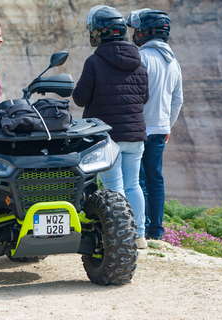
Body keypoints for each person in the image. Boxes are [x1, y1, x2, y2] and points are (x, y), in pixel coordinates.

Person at [73, 5, 149, 249]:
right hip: (136, 133)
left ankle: (121, 239)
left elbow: (80, 99)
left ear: (100, 33)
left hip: (108, 136)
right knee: (133, 184)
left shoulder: (94, 61)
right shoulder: (139, 61)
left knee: (113, 186)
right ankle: (139, 235)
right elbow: (144, 97)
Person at [126, 9, 183, 240]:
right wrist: (168, 125)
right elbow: (178, 100)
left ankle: (137, 229)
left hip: (139, 128)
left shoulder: (141, 57)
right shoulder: (173, 62)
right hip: (160, 129)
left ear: (146, 33)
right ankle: (156, 231)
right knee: (155, 179)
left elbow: (132, 93)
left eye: (138, 29)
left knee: (136, 180)